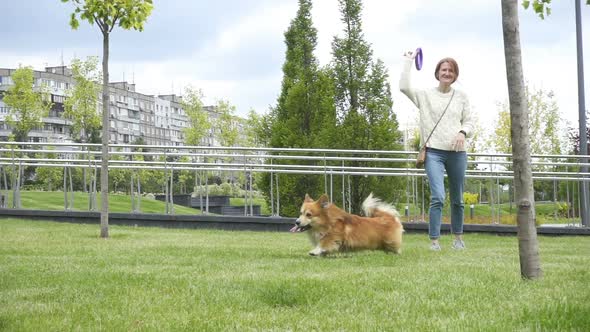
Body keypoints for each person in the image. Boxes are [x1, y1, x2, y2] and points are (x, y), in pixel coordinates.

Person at [399, 51, 475, 251]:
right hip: (433, 152)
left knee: (457, 199)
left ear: (455, 74)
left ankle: (458, 239)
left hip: (457, 153)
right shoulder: (425, 96)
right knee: (438, 197)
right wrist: (408, 61)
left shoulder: (462, 96)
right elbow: (403, 87)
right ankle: (434, 241)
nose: (447, 73)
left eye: (451, 70)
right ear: (437, 73)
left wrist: (462, 132)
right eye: (444, 70)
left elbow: (469, 121)